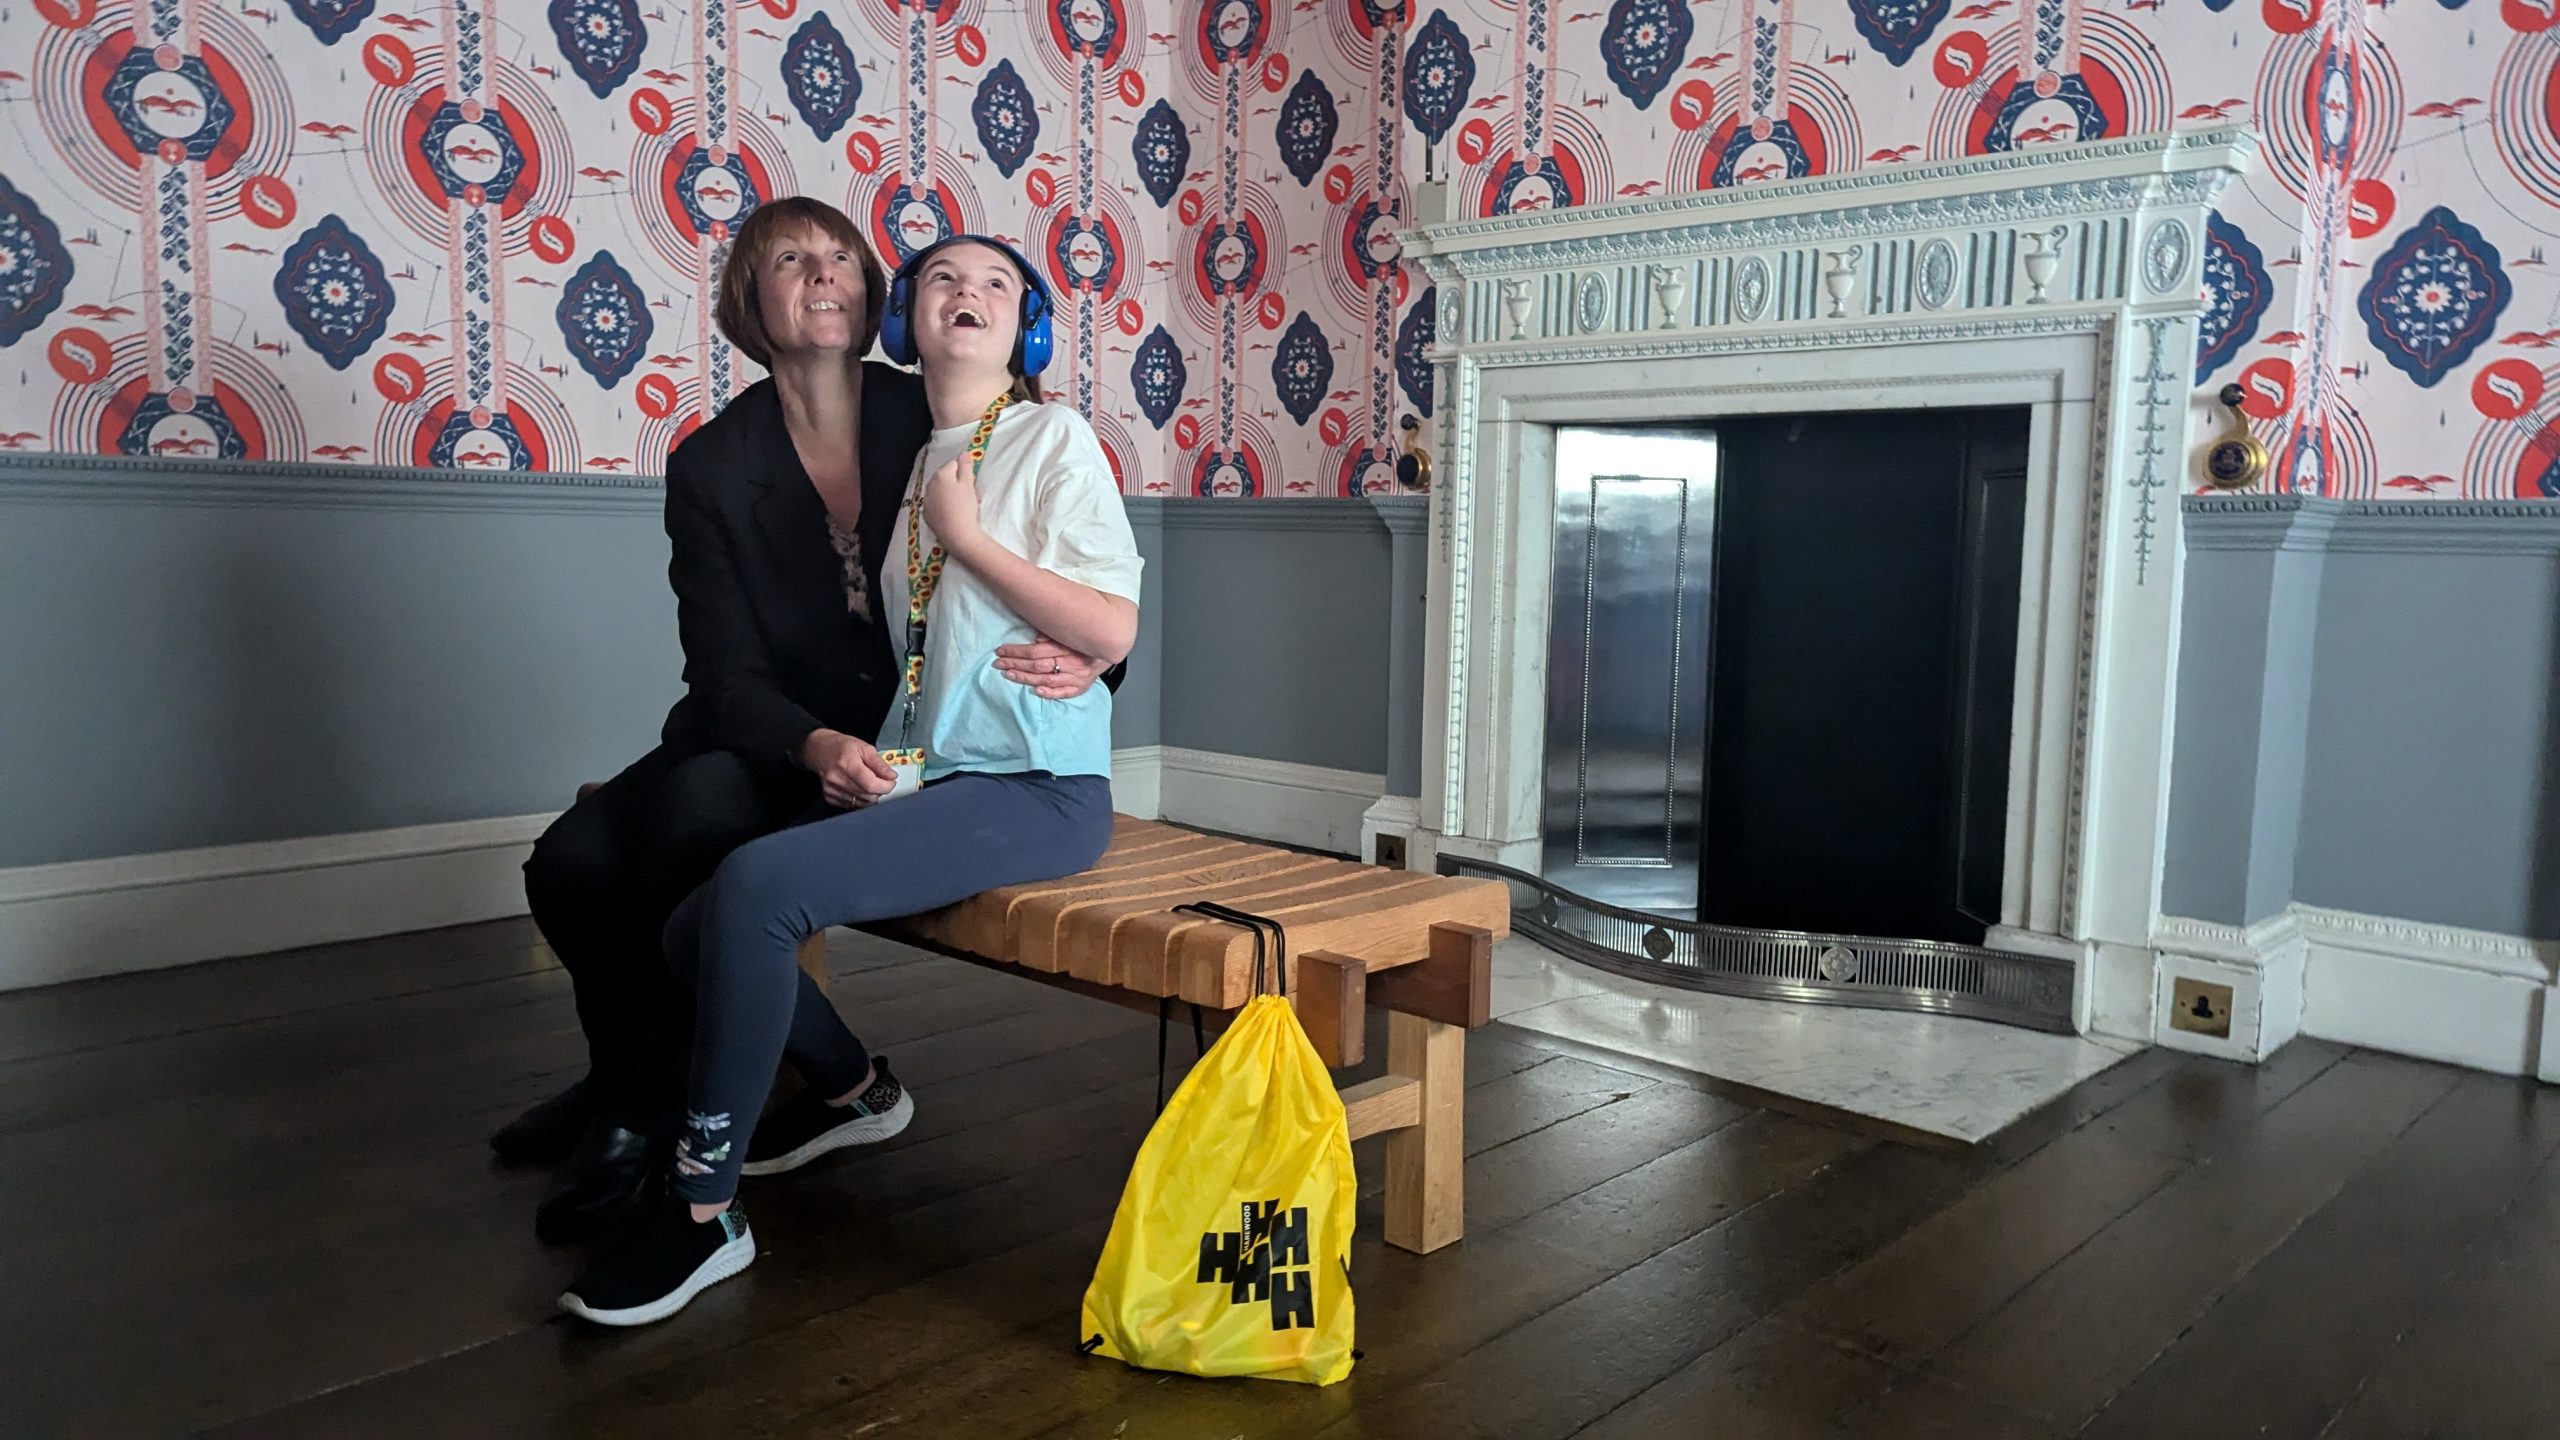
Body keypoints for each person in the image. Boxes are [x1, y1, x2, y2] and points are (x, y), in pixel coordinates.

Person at [498, 200, 1117, 1244]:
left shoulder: (929, 406)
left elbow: (1056, 546)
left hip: (910, 741)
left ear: (878, 298)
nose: (821, 274)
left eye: (840, 257)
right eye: (790, 258)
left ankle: (647, 1114)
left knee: (695, 835)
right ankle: (623, 1075)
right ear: (752, 297)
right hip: (776, 729)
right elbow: (723, 669)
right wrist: (809, 743)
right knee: (566, 862)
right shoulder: (710, 461)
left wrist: (1098, 658)